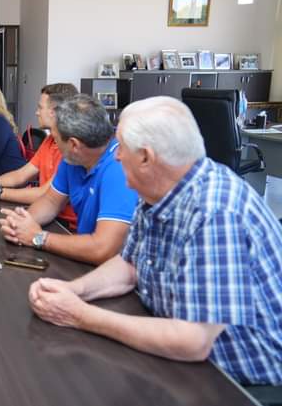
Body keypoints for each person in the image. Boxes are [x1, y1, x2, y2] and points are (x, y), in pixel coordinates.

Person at [27, 96, 282, 393]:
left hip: (239, 380)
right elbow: (128, 264)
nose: (116, 156)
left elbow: (193, 341)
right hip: (182, 352)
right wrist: (74, 290)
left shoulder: (216, 212)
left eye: (121, 147)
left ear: (146, 158)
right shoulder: (157, 190)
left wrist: (79, 315)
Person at [0, 94, 138, 265]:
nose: (55, 144)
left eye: (56, 139)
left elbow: (103, 249)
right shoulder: (73, 158)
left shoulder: (119, 168)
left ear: (74, 145)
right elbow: (51, 201)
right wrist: (20, 224)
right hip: (83, 254)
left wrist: (38, 237)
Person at [0, 83, 78, 229]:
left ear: (54, 112)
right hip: (47, 215)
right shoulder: (50, 141)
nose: (36, 112)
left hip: (66, 225)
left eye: (40, 107)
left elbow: (46, 195)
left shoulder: (71, 149)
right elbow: (21, 175)